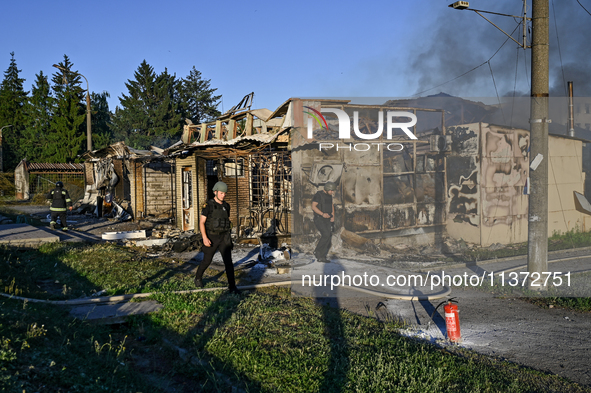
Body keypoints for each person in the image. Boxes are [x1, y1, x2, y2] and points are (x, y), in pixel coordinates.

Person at [194, 181, 240, 294]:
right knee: (207, 260)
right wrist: (204, 238)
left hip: (224, 237)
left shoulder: (226, 206)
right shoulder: (208, 205)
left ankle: (232, 287)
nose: (223, 195)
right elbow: (202, 223)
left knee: (228, 262)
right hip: (212, 236)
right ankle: (198, 278)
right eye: (221, 193)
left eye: (224, 193)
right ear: (215, 192)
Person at [312, 181, 336, 262]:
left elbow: (331, 205)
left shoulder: (329, 196)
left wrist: (333, 216)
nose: (332, 192)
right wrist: (322, 214)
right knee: (325, 234)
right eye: (331, 190)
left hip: (328, 219)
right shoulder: (318, 195)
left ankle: (322, 256)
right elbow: (313, 206)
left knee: (328, 236)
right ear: (327, 188)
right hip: (319, 218)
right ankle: (317, 251)